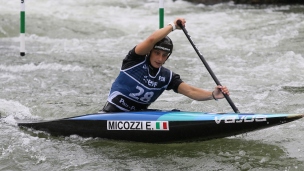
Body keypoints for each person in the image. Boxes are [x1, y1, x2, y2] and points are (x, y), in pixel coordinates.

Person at [102, 17, 230, 113]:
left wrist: (213, 95)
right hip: (112, 113)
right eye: (157, 53)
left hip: (138, 116)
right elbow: (151, 40)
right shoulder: (134, 60)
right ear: (150, 51)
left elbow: (191, 91)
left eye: (164, 55)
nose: (160, 58)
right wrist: (173, 26)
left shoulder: (167, 77)